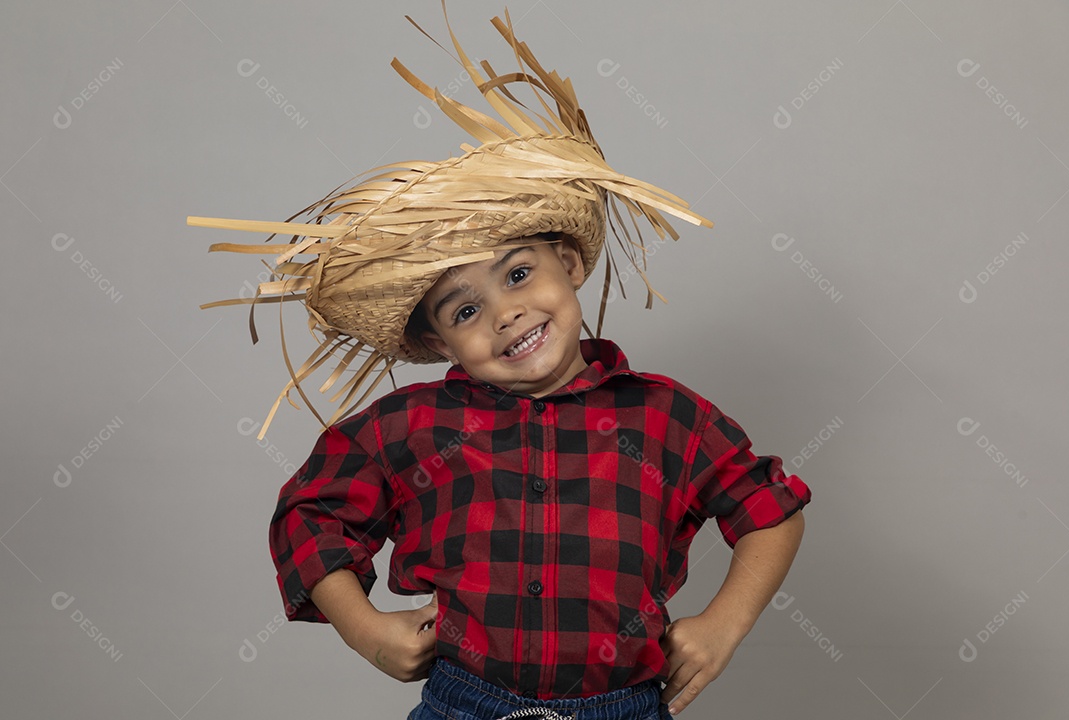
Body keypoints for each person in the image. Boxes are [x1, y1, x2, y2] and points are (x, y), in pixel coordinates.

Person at [190, 7, 810, 719]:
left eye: (518, 275)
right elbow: (310, 514)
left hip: (625, 706)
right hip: (466, 705)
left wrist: (724, 623)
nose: (504, 314)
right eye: (464, 311)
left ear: (569, 264)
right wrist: (364, 631)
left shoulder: (667, 416)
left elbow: (772, 510)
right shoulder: (411, 427)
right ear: (434, 344)